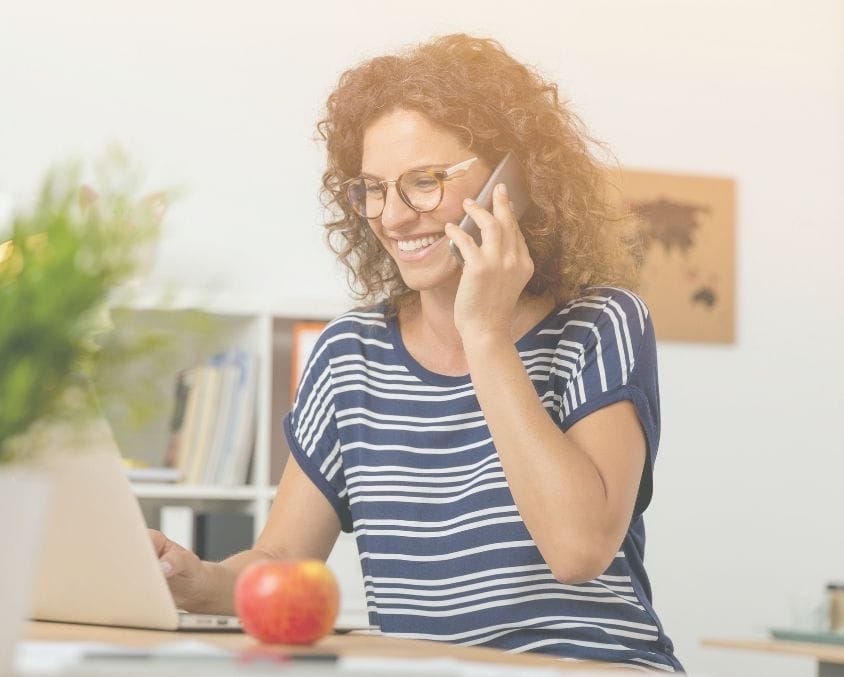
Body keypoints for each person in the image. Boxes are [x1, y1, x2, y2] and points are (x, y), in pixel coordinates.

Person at [149, 33, 683, 672]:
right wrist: (194, 579)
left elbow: (577, 550)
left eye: (424, 182)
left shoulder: (600, 323)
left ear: (515, 178)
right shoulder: (351, 354)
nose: (394, 218)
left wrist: (483, 334)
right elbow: (279, 563)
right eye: (373, 188)